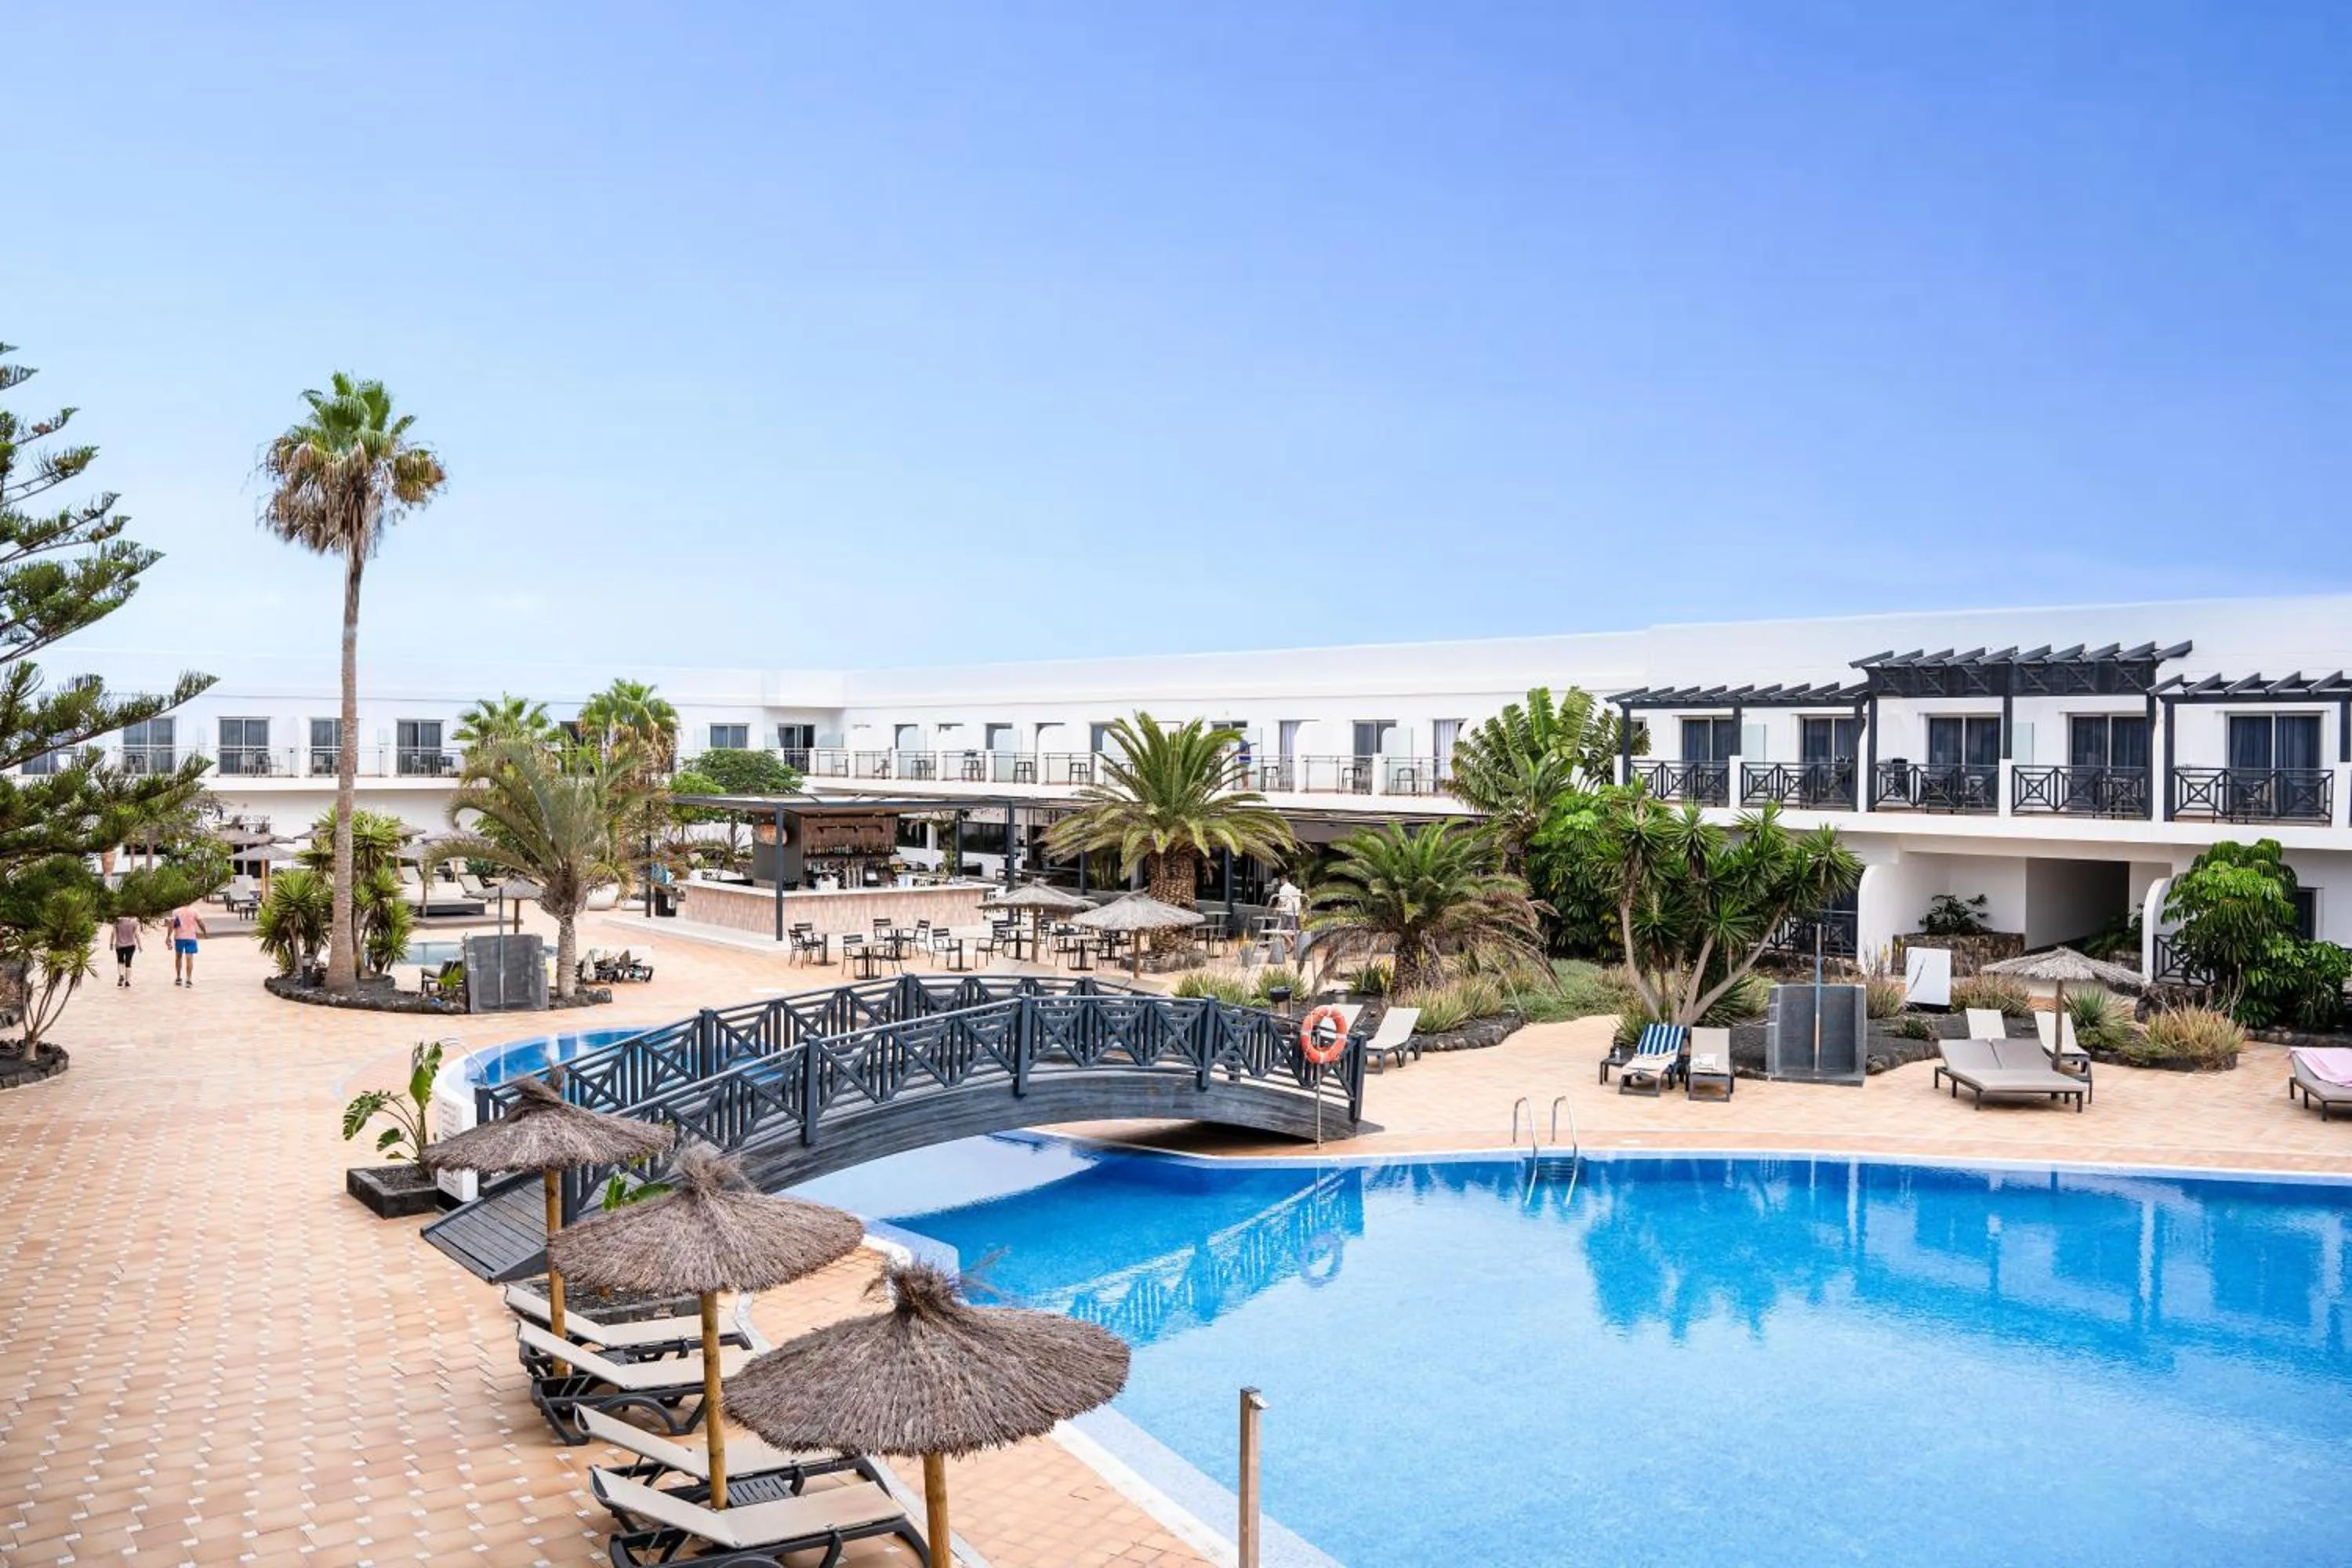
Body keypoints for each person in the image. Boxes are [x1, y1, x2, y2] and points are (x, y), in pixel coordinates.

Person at [167, 902, 208, 987]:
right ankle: (189, 979)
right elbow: (200, 922)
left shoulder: (176, 911)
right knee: (189, 958)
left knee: (178, 957)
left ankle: (178, 978)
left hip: (179, 937)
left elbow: (171, 925)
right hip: (191, 938)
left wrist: (168, 937)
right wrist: (204, 932)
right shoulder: (194, 911)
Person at [112, 913, 142, 988]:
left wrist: (111, 943)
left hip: (119, 945)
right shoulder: (135, 922)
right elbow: (136, 935)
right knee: (128, 962)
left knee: (120, 961)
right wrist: (140, 946)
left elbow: (114, 934)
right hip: (131, 945)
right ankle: (127, 981)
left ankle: (121, 975)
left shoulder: (117, 922)